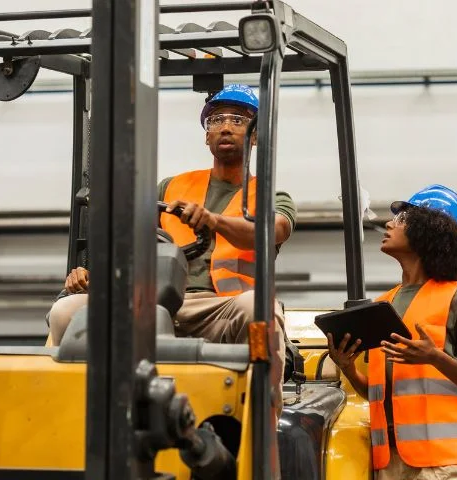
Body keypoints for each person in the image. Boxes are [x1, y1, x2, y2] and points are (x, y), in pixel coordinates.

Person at [45, 84, 297, 413]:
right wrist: (97, 277)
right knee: (66, 311)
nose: (224, 126)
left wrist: (213, 221)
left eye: (238, 119)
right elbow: (129, 240)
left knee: (258, 308)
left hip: (222, 310)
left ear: (255, 136)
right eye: (215, 120)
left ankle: (264, 423)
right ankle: (62, 415)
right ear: (206, 136)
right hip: (158, 303)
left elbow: (271, 231)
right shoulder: (171, 187)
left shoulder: (269, 195)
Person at [326, 184, 457, 480]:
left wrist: (436, 358)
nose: (389, 223)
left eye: (402, 220)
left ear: (430, 232)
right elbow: (383, 393)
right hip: (391, 463)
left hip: (448, 466)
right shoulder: (383, 305)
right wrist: (349, 369)